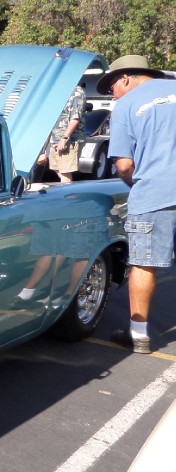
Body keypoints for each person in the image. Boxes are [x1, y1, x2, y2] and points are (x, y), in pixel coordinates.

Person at [99, 54, 174, 353]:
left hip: (155, 192)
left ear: (125, 78)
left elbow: (124, 164)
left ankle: (139, 336)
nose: (111, 94)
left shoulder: (126, 105)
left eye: (111, 88)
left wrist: (137, 183)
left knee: (144, 264)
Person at [42, 84, 86, 183]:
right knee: (57, 168)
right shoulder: (62, 89)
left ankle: (67, 196)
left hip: (68, 140)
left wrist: (64, 138)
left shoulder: (77, 92)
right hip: (55, 138)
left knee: (65, 172)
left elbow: (75, 118)